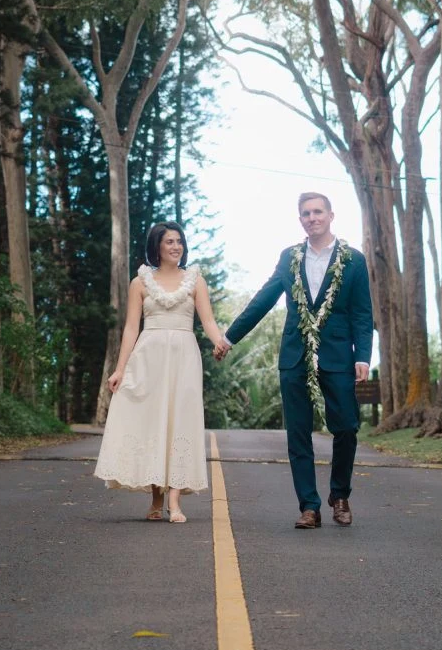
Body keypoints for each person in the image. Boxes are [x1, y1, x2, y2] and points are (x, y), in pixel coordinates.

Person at [214, 192, 373, 529]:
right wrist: (229, 337)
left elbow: (362, 313)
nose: (311, 217)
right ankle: (309, 507)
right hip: (294, 356)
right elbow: (263, 300)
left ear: (331, 215)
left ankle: (339, 494)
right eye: (305, 213)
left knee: (346, 426)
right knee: (298, 433)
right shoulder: (289, 258)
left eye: (317, 212)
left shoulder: (354, 260)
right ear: (300, 219)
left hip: (339, 357)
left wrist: (364, 356)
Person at [94, 221, 225, 523]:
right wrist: (119, 369)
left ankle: (175, 503)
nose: (176, 246)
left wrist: (219, 342)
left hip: (183, 357)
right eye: (169, 242)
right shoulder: (140, 282)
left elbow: (208, 322)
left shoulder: (195, 280)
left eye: (179, 241)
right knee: (153, 422)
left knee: (180, 421)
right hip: (149, 356)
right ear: (157, 246)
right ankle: (156, 498)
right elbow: (130, 328)